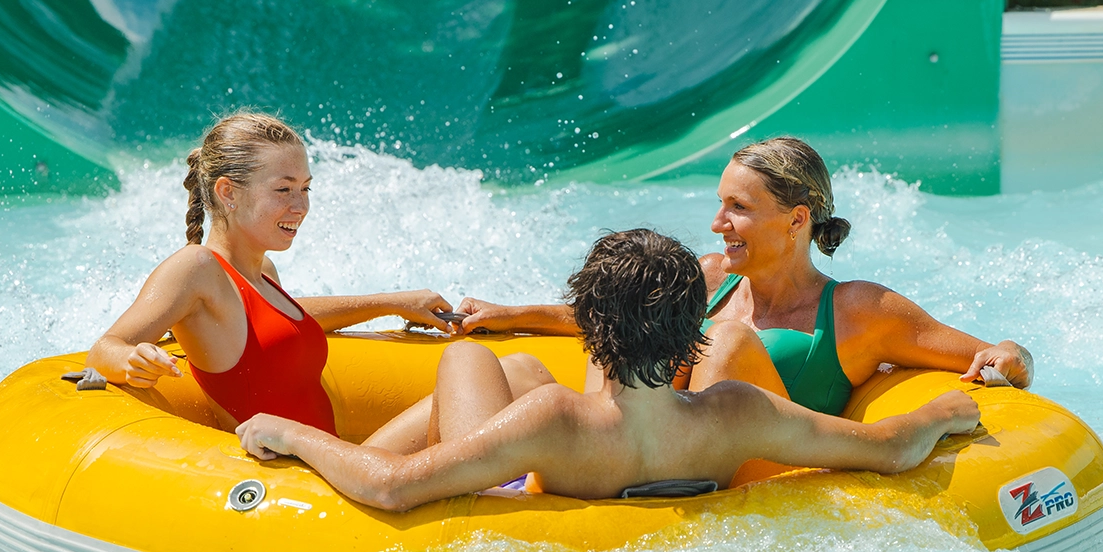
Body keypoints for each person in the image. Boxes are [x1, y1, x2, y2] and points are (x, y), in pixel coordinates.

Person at [235, 229, 980, 511]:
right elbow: (887, 449)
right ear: (692, 331)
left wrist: (293, 435)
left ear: (591, 329)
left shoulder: (553, 423)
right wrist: (944, 412)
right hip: (660, 452)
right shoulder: (734, 414)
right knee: (523, 365)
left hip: (514, 485)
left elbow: (392, 491)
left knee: (468, 355)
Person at [452, 137, 1033, 417]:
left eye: (738, 208)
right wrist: (508, 314)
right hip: (643, 450)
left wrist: (1011, 353)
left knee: (727, 345)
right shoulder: (707, 280)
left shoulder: (858, 311)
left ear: (796, 220)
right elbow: (617, 320)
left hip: (737, 478)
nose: (717, 223)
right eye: (719, 203)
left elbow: (991, 353)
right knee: (520, 373)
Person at [87, 112, 455, 435]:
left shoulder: (262, 271)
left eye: (305, 188)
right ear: (228, 192)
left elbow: (281, 323)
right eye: (283, 189)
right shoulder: (196, 268)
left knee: (499, 373)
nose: (301, 206)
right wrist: (132, 361)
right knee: (468, 370)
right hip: (292, 478)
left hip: (331, 459)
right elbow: (106, 348)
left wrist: (394, 303)